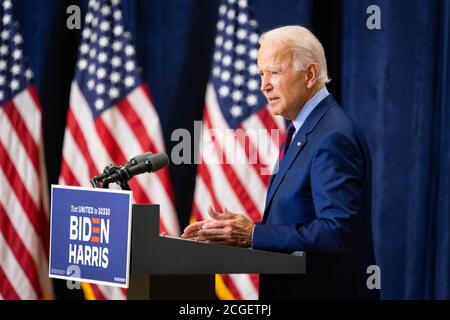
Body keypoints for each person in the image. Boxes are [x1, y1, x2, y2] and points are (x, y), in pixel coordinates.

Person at [182, 25, 378, 300]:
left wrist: (254, 235)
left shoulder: (333, 136)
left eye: (274, 72)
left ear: (310, 74)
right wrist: (244, 231)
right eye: (262, 74)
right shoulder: (304, 128)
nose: (264, 85)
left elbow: (337, 232)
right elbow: (300, 217)